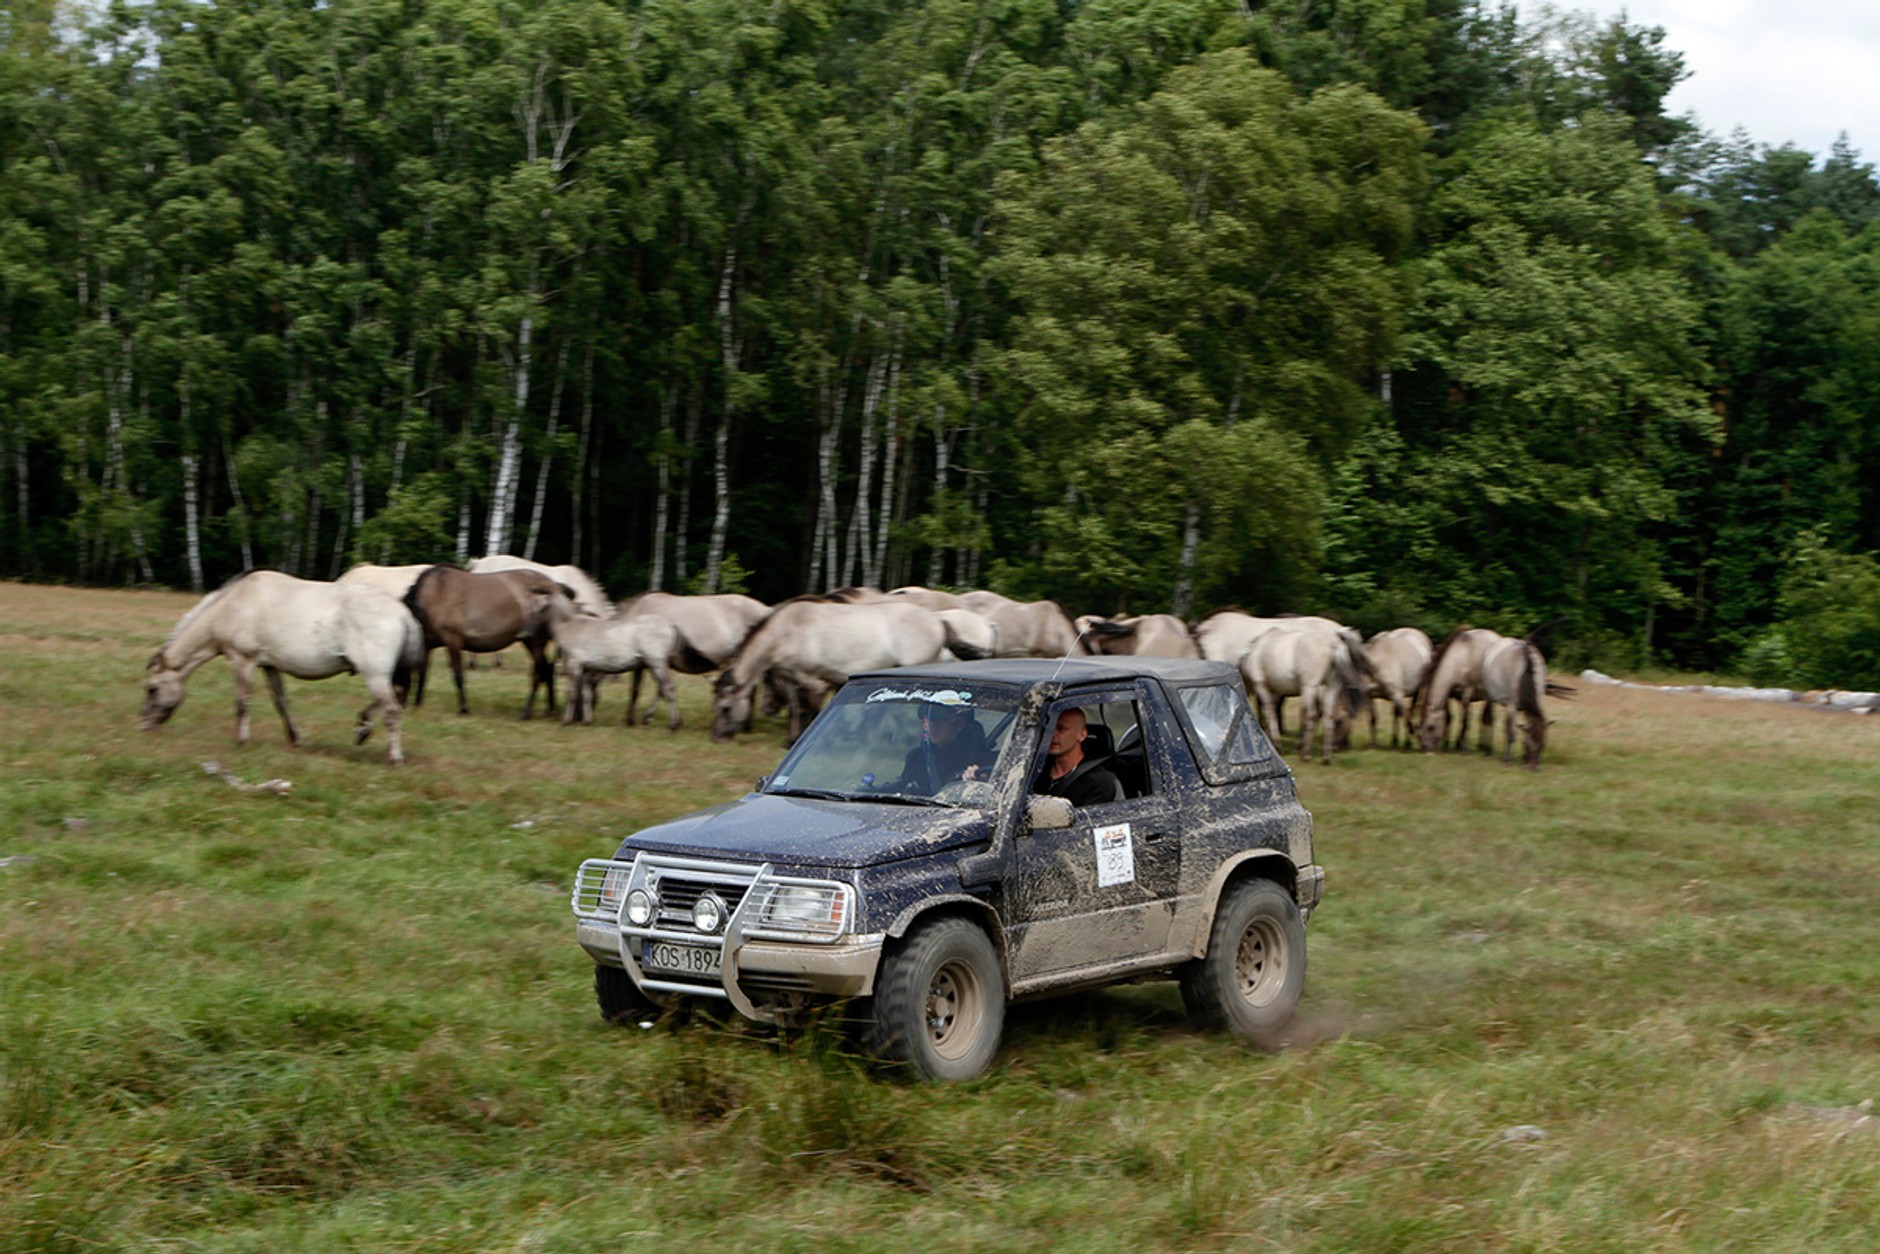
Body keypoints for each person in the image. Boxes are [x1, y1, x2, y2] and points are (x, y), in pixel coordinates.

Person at [891, 701, 991, 794]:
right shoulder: (917, 758)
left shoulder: (981, 762)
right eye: (929, 719)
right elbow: (902, 791)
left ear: (959, 724)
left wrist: (976, 782)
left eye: (941, 720)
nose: (933, 725)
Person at [1033, 707, 1123, 808]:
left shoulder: (1098, 781)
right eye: (1049, 729)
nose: (1052, 735)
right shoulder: (1036, 770)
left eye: (1061, 729)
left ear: (1082, 735)